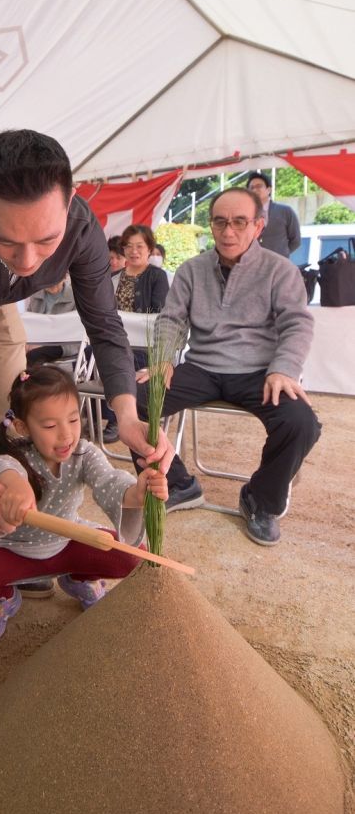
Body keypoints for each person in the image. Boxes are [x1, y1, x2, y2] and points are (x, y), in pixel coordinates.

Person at [0, 129, 173, 641]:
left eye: (46, 239)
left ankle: (19, 542)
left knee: (16, 421)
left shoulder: (83, 230)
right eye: (6, 240)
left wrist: (126, 416)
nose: (28, 261)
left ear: (70, 204)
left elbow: (104, 326)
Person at [133, 187, 321, 546]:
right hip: (202, 367)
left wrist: (283, 367)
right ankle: (178, 483)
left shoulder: (280, 270)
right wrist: (162, 361)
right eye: (220, 222)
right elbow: (171, 320)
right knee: (137, 400)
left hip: (259, 372)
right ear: (211, 225)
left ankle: (260, 500)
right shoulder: (191, 270)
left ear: (258, 226)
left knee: (301, 422)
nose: (228, 231)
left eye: (239, 222)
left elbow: (297, 323)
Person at [0, 366, 168, 644]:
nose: (66, 436)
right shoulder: (15, 456)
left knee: (132, 556)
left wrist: (137, 492)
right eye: (50, 426)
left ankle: (79, 578)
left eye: (73, 420)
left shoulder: (84, 453)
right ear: (23, 427)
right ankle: (4, 597)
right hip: (14, 551)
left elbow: (109, 481)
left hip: (68, 540)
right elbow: (2, 467)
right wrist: (15, 484)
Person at [101, 224, 170, 442]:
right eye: (128, 246)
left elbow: (158, 315)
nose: (134, 251)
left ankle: (120, 418)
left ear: (149, 248)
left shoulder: (157, 276)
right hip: (116, 341)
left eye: (140, 246)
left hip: (144, 347)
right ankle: (114, 416)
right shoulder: (113, 277)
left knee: (131, 364)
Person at [25, 275, 81, 366]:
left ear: (64, 276)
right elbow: (28, 322)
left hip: (65, 344)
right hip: (37, 342)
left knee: (33, 355)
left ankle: (34, 379)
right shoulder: (35, 295)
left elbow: (75, 329)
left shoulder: (75, 297)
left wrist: (40, 345)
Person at [246, 171, 301, 257]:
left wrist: (282, 254)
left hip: (279, 266)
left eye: (259, 186)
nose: (254, 190)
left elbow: (296, 241)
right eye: (251, 188)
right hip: (252, 265)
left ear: (269, 190)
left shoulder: (285, 211)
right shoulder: (245, 213)